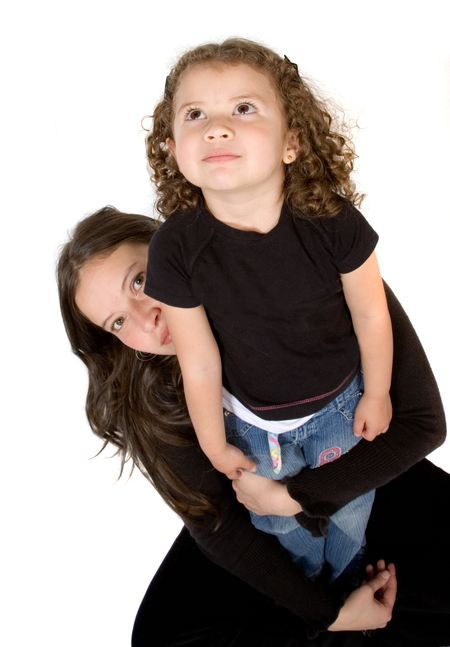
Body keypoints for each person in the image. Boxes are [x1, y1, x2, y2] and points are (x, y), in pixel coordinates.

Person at [57, 206, 449, 645]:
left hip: (369, 470)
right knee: (161, 635)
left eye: (139, 279)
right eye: (118, 322)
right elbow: (217, 526)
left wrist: (294, 497)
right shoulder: (147, 393)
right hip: (262, 529)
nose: (146, 314)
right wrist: (328, 615)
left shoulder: (310, 271)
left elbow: (424, 424)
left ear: (174, 249)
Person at [144, 37, 392, 581]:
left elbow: (372, 314)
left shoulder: (331, 221)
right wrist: (214, 441)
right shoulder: (176, 247)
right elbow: (199, 357)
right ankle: (308, 586)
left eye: (243, 108)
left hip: (339, 409)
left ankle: (347, 573)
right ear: (172, 147)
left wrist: (375, 392)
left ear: (292, 142)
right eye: (194, 114)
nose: (217, 126)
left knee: (348, 509)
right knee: (276, 523)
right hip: (254, 427)